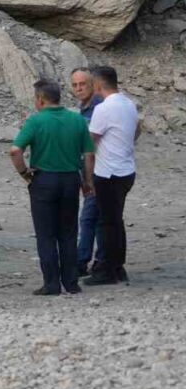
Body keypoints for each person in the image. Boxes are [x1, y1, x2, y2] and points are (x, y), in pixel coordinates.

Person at [9, 79, 94, 296]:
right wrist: (87, 181)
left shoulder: (35, 122)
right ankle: (71, 282)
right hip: (70, 180)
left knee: (45, 234)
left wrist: (24, 173)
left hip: (44, 180)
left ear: (40, 99)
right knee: (68, 232)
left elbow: (15, 151)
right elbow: (88, 154)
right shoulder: (77, 120)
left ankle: (51, 283)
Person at [85, 66, 138, 286]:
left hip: (109, 173)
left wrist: (87, 178)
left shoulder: (103, 109)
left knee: (106, 221)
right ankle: (117, 266)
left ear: (98, 84)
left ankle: (106, 269)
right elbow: (137, 130)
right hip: (126, 170)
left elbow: (90, 143)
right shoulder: (129, 104)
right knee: (116, 219)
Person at [70, 67, 106, 276]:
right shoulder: (83, 108)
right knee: (99, 217)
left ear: (92, 84)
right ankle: (101, 260)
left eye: (82, 84)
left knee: (89, 217)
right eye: (75, 85)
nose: (79, 88)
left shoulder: (99, 107)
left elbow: (90, 147)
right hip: (89, 170)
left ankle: (82, 261)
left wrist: (89, 178)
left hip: (99, 170)